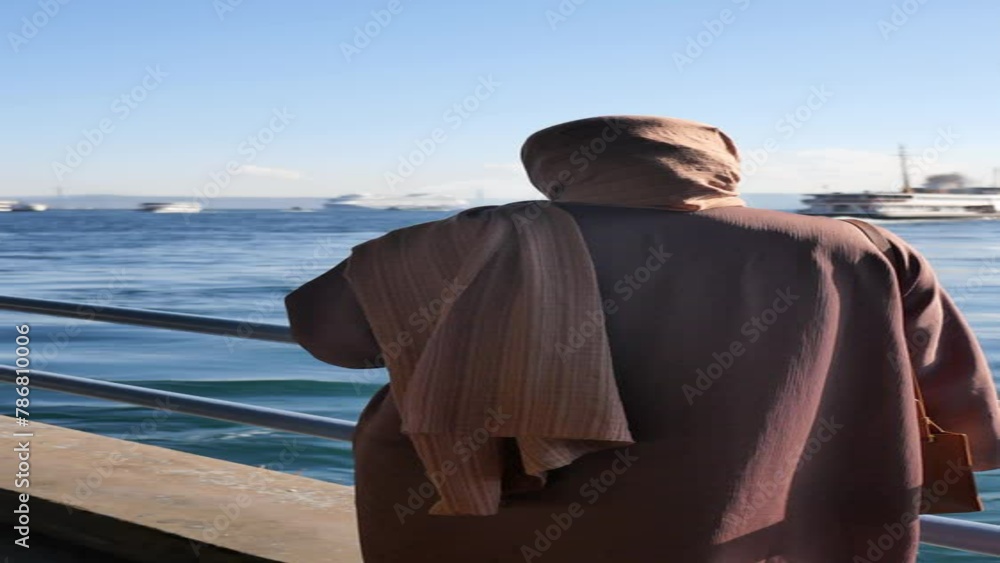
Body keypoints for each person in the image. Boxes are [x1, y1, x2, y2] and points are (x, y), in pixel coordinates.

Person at [285, 116, 1000, 562]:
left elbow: (332, 337)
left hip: (478, 515)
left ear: (551, 170)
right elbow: (960, 404)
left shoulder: (464, 240)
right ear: (723, 165)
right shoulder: (856, 247)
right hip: (757, 520)